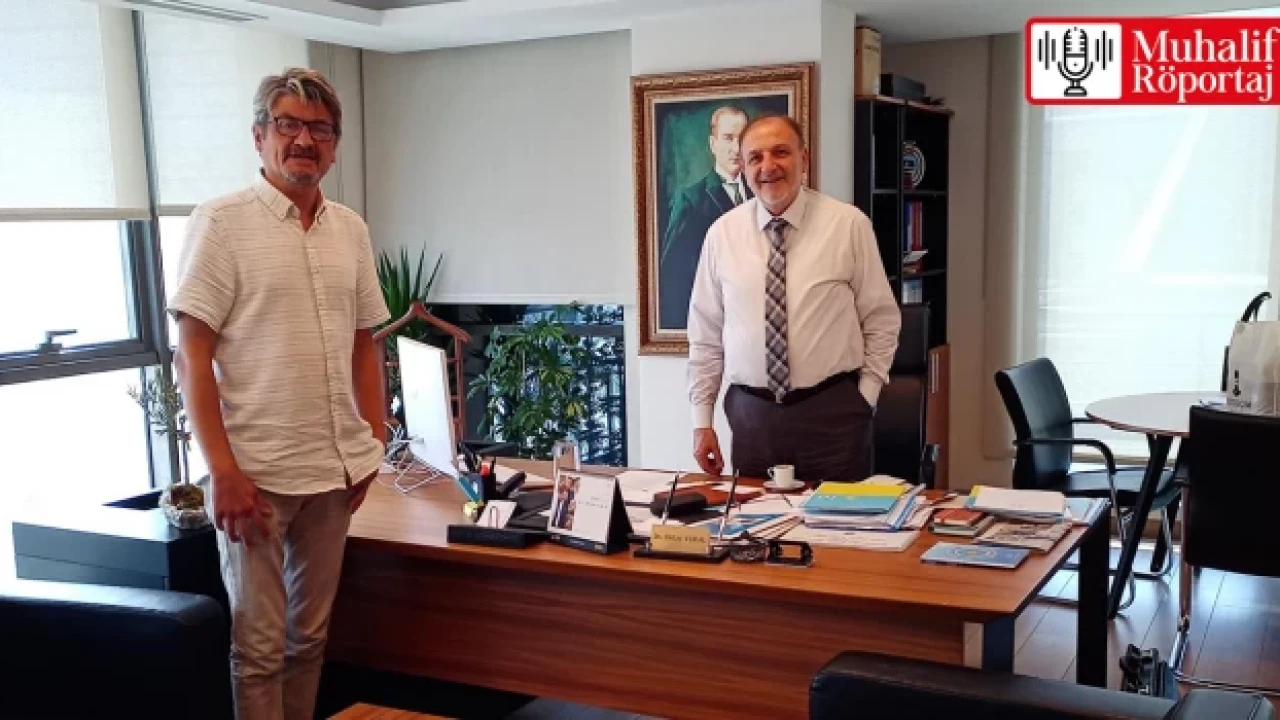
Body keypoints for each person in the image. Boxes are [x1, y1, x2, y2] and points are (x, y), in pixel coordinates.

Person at [169, 68, 390, 720]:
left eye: (319, 129)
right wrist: (222, 471)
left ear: (335, 145)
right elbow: (191, 355)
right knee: (259, 649)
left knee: (309, 641)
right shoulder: (221, 222)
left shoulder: (349, 229)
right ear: (259, 136)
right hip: (255, 478)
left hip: (332, 475)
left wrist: (373, 442)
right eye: (288, 124)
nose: (304, 140)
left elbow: (364, 344)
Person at [686, 114, 901, 483]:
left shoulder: (848, 225)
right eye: (755, 157)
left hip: (833, 416)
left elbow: (881, 319)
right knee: (754, 517)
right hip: (752, 419)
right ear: (743, 168)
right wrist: (701, 421)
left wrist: (864, 398)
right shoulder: (722, 235)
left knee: (837, 518)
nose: (768, 166)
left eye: (780, 152)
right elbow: (705, 335)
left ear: (804, 158)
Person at [658, 105, 754, 330]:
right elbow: (675, 274)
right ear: (713, 144)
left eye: (742, 139)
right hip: (714, 320)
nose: (736, 148)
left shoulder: (760, 195)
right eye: (728, 138)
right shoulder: (690, 199)